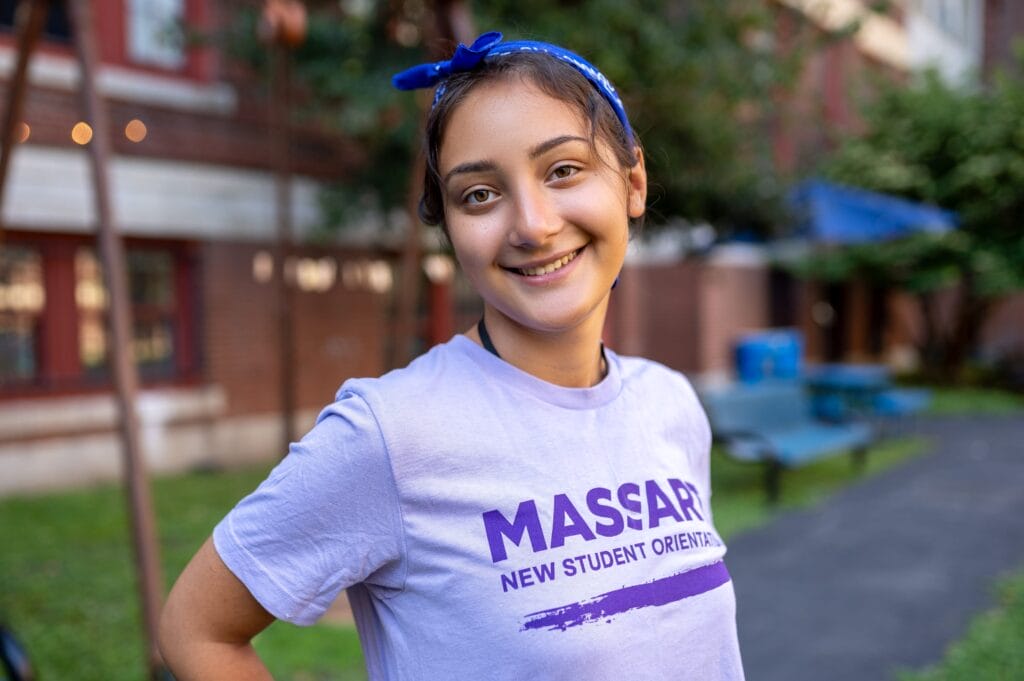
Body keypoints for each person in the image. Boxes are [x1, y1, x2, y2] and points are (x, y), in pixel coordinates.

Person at [159, 31, 745, 680]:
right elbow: (196, 630)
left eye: (563, 170)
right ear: (452, 232)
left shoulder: (669, 403)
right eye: (480, 194)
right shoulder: (393, 434)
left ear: (633, 182)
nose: (532, 223)